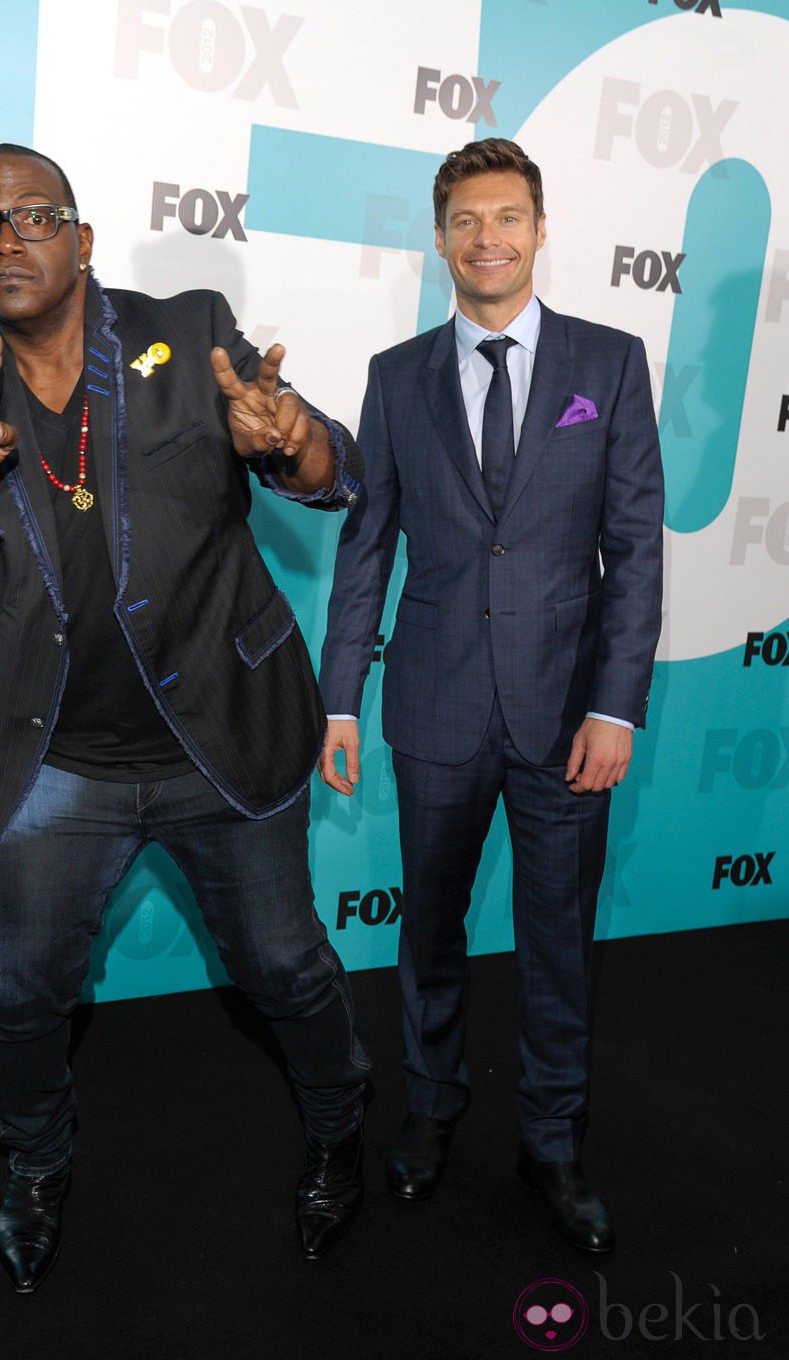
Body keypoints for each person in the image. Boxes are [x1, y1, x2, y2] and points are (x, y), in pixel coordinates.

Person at [0, 143, 370, 1293]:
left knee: (284, 965)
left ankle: (339, 1122)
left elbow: (331, 475)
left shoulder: (186, 327)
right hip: (59, 761)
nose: (4, 241)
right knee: (16, 994)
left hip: (225, 733)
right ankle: (37, 1161)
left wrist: (287, 435)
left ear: (84, 239)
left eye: (32, 216)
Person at [317, 139, 664, 1252]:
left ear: (539, 227)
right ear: (438, 237)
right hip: (431, 704)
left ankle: (551, 1140)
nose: (487, 239)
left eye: (507, 217)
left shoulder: (607, 364)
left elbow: (633, 550)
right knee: (429, 927)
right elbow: (365, 548)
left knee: (557, 938)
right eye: (465, 220)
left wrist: (614, 707)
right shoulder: (392, 374)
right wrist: (336, 700)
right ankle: (428, 1109)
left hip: (568, 713)